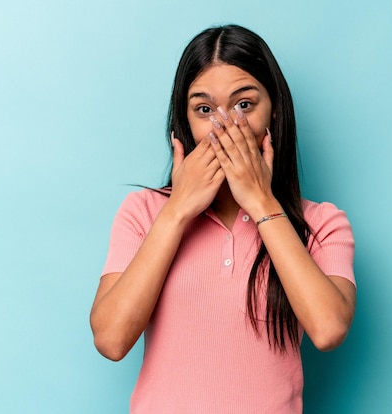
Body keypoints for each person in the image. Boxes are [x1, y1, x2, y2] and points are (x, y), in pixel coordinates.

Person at [90, 24, 356, 413]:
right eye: (204, 109)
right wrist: (177, 210)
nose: (225, 125)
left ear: (275, 114)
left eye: (244, 104)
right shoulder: (143, 212)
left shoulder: (322, 223)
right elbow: (111, 340)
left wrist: (263, 203)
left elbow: (329, 329)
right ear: (185, 125)